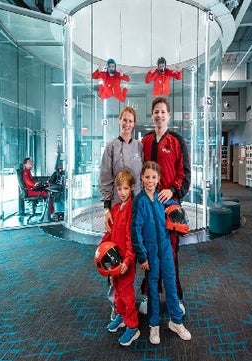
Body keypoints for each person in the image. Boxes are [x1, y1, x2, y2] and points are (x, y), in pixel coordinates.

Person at [139, 97, 191, 315]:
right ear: (152, 115)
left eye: (162, 111)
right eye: (156, 111)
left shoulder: (177, 141)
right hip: (149, 205)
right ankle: (148, 294)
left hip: (169, 205)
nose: (159, 115)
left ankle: (175, 297)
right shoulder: (146, 141)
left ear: (168, 115)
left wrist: (173, 191)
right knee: (151, 252)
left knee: (169, 253)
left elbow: (185, 174)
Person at [131, 161, 191, 345]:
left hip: (165, 249)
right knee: (154, 288)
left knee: (171, 284)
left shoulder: (162, 198)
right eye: (147, 177)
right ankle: (154, 325)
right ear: (142, 177)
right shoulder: (139, 201)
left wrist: (181, 216)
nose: (150, 181)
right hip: (150, 253)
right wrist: (142, 256)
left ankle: (176, 321)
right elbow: (135, 230)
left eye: (154, 177)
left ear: (159, 180)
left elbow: (178, 211)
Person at [99, 106, 143, 320]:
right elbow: (106, 179)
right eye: (124, 120)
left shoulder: (139, 147)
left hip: (136, 210)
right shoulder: (111, 147)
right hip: (117, 210)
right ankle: (115, 305)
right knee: (116, 255)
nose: (127, 124)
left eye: (130, 120)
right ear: (119, 121)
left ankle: (135, 301)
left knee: (134, 253)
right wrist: (107, 207)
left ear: (135, 123)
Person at [100, 170, 140, 347]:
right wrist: (101, 250)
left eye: (125, 188)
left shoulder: (132, 210)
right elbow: (110, 233)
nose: (122, 192)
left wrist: (128, 260)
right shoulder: (116, 209)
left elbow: (132, 238)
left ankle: (133, 326)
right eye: (119, 189)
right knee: (117, 290)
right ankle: (121, 316)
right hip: (114, 262)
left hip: (126, 262)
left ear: (132, 188)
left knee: (127, 293)